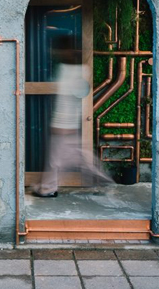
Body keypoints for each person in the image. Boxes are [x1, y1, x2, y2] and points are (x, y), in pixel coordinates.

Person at [32, 35, 112, 197]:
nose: (54, 52)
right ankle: (49, 187)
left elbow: (67, 96)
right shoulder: (80, 69)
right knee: (72, 157)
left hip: (62, 123)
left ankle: (48, 188)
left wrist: (58, 122)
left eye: (57, 49)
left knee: (57, 160)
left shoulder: (70, 70)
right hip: (69, 123)